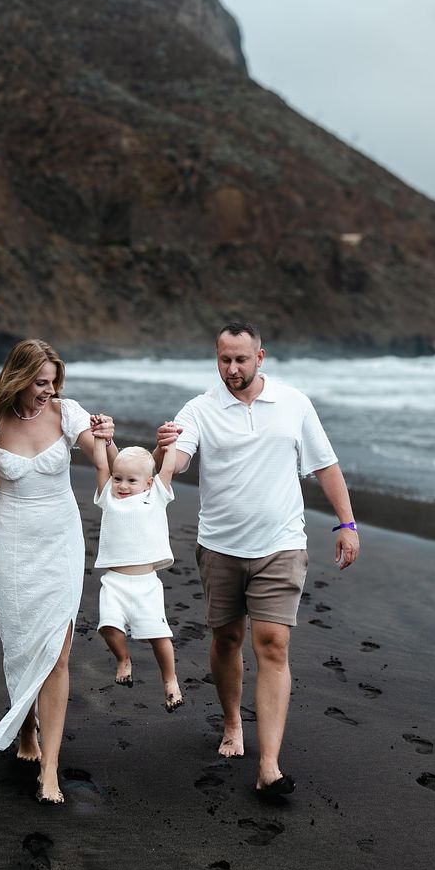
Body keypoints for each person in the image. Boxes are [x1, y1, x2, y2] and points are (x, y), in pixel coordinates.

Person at [154, 320, 359, 799]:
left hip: (281, 544)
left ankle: (269, 764)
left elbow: (324, 464)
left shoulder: (293, 404)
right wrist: (167, 452)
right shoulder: (200, 409)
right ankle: (231, 723)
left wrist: (346, 524)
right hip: (220, 546)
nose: (232, 368)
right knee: (227, 639)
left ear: (260, 357)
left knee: (272, 645)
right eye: (224, 359)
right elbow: (181, 457)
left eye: (241, 359)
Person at [0, 338, 115, 805]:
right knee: (21, 643)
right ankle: (25, 726)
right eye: (40, 383)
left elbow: (105, 471)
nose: (48, 391)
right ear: (18, 378)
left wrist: (107, 440)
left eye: (53, 382)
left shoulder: (68, 414)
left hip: (61, 541)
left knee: (57, 650)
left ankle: (50, 768)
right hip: (12, 542)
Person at [91, 432, 184, 712]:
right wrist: (99, 439)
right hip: (115, 582)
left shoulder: (156, 496)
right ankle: (123, 659)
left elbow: (167, 468)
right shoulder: (108, 496)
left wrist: (171, 444)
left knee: (159, 635)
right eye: (118, 478)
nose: (122, 485)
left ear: (148, 483)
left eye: (132, 481)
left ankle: (170, 681)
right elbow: (100, 466)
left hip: (146, 584)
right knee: (108, 627)